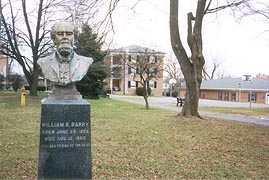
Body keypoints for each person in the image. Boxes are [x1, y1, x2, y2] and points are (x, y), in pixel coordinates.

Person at [38, 21, 93, 99]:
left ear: (74, 38)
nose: (65, 37)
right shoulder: (43, 62)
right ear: (54, 39)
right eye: (60, 34)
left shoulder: (85, 62)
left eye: (69, 34)